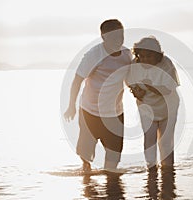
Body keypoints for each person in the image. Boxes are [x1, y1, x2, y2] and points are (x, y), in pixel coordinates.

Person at [64, 19, 131, 171]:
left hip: (115, 112)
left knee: (114, 154)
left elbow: (129, 79)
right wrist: (71, 106)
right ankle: (86, 169)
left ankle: (111, 185)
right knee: (86, 153)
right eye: (114, 37)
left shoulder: (127, 55)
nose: (118, 40)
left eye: (121, 36)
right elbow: (77, 81)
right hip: (90, 111)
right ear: (103, 37)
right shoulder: (93, 55)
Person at [127, 37, 180, 168]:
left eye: (149, 56)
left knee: (166, 141)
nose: (145, 59)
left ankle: (168, 168)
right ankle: (151, 167)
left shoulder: (166, 64)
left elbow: (168, 89)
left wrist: (151, 87)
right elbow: (129, 81)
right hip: (147, 106)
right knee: (149, 138)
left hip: (168, 106)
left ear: (157, 55)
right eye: (142, 56)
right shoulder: (135, 63)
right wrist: (135, 91)